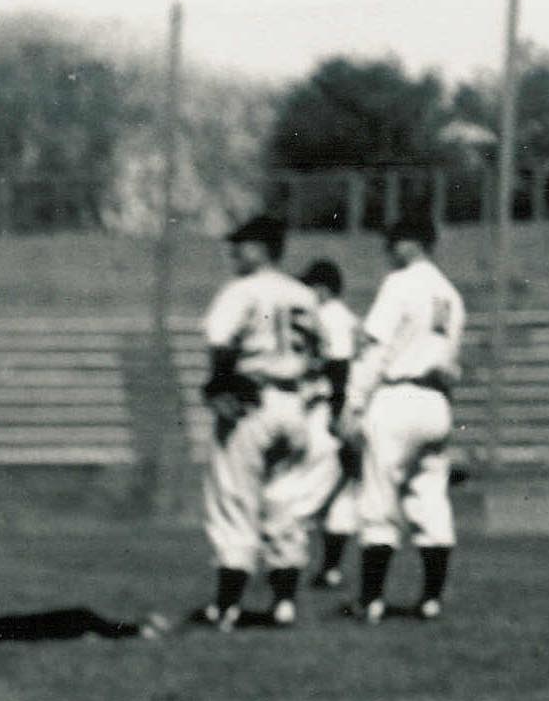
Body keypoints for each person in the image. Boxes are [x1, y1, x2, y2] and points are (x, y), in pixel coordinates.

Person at [193, 215, 323, 630]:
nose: (234, 252)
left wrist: (219, 385)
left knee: (234, 501)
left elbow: (219, 339)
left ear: (264, 247)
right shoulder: (303, 294)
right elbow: (322, 350)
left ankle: (227, 607)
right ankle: (283, 603)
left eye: (243, 244)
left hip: (253, 401)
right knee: (285, 504)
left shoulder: (242, 290)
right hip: (294, 405)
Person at [343, 208, 467, 623]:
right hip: (436, 402)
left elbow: (375, 347)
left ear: (411, 242)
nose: (388, 251)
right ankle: (431, 599)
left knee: (378, 500)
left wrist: (354, 400)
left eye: (394, 242)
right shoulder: (450, 294)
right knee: (431, 500)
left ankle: (372, 600)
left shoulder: (400, 283)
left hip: (397, 397)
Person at [296, 261, 363, 590]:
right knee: (341, 497)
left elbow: (338, 365)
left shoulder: (332, 317)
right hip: (350, 409)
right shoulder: (348, 317)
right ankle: (331, 570)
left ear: (322, 288)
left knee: (303, 491)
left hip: (329, 412)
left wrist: (337, 416)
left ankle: (282, 569)